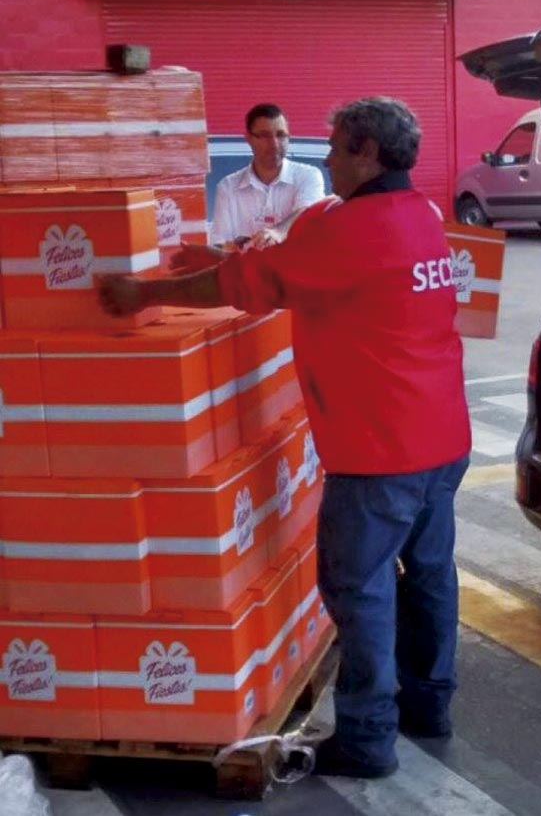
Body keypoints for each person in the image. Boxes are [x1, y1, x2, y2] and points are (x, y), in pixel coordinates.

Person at [98, 96, 472, 779]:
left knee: (355, 586)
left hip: (381, 446)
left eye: (334, 144)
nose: (323, 156)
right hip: (442, 434)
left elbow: (259, 281)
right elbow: (296, 260)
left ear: (366, 153)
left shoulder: (356, 229)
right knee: (428, 573)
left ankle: (366, 736)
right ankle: (430, 701)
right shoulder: (418, 215)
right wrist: (217, 253)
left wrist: (148, 293)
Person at [210, 103, 325, 250]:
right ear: (248, 139)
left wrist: (278, 231)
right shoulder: (228, 187)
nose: (275, 144)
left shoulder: (308, 176)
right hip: (248, 271)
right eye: (265, 136)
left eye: (281, 135)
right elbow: (220, 246)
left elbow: (308, 213)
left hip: (295, 270)